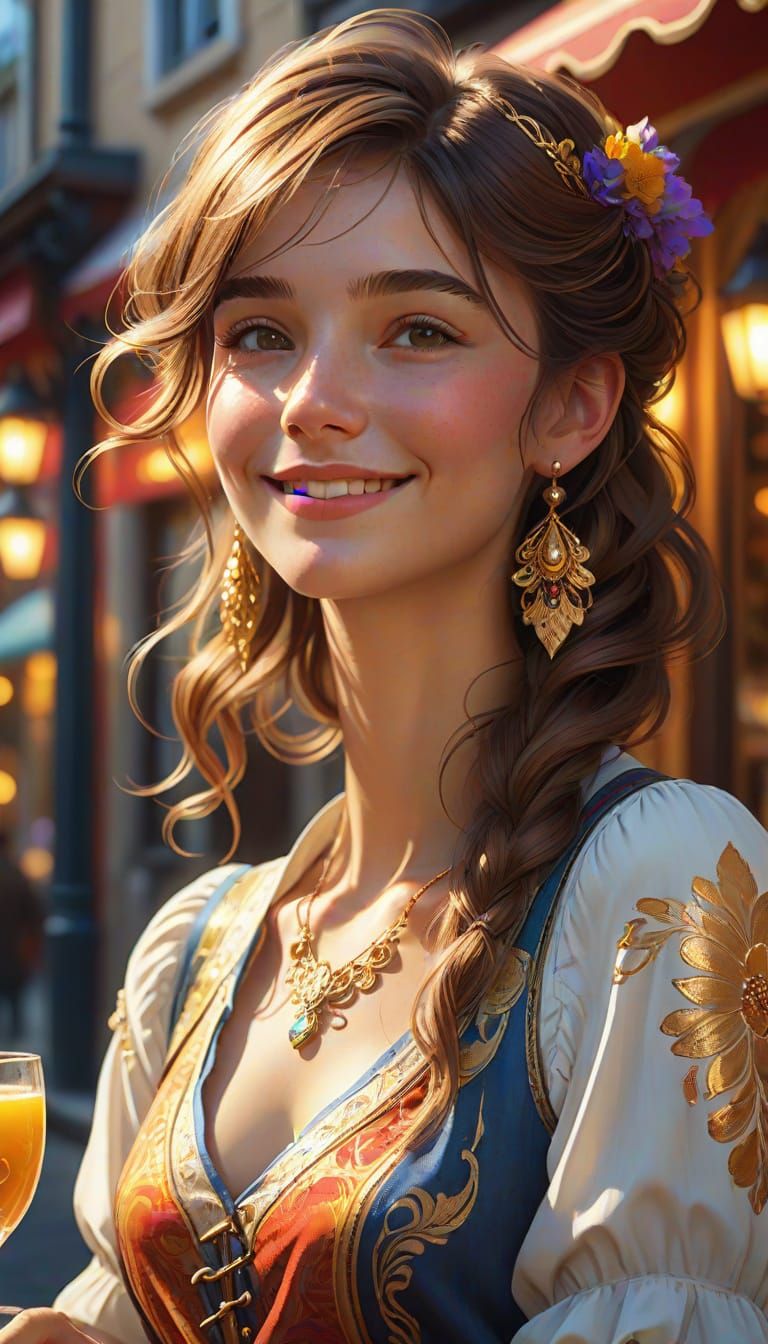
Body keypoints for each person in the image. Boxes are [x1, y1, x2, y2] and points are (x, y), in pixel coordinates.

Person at [6, 7, 768, 1341]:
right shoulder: (193, 954)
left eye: (415, 329)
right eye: (258, 333)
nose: (310, 398)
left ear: (571, 408)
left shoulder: (659, 887)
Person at [0, 830, 43, 1041]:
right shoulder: (16, 875)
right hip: (12, 951)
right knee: (14, 1004)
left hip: (11, 950)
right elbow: (34, 915)